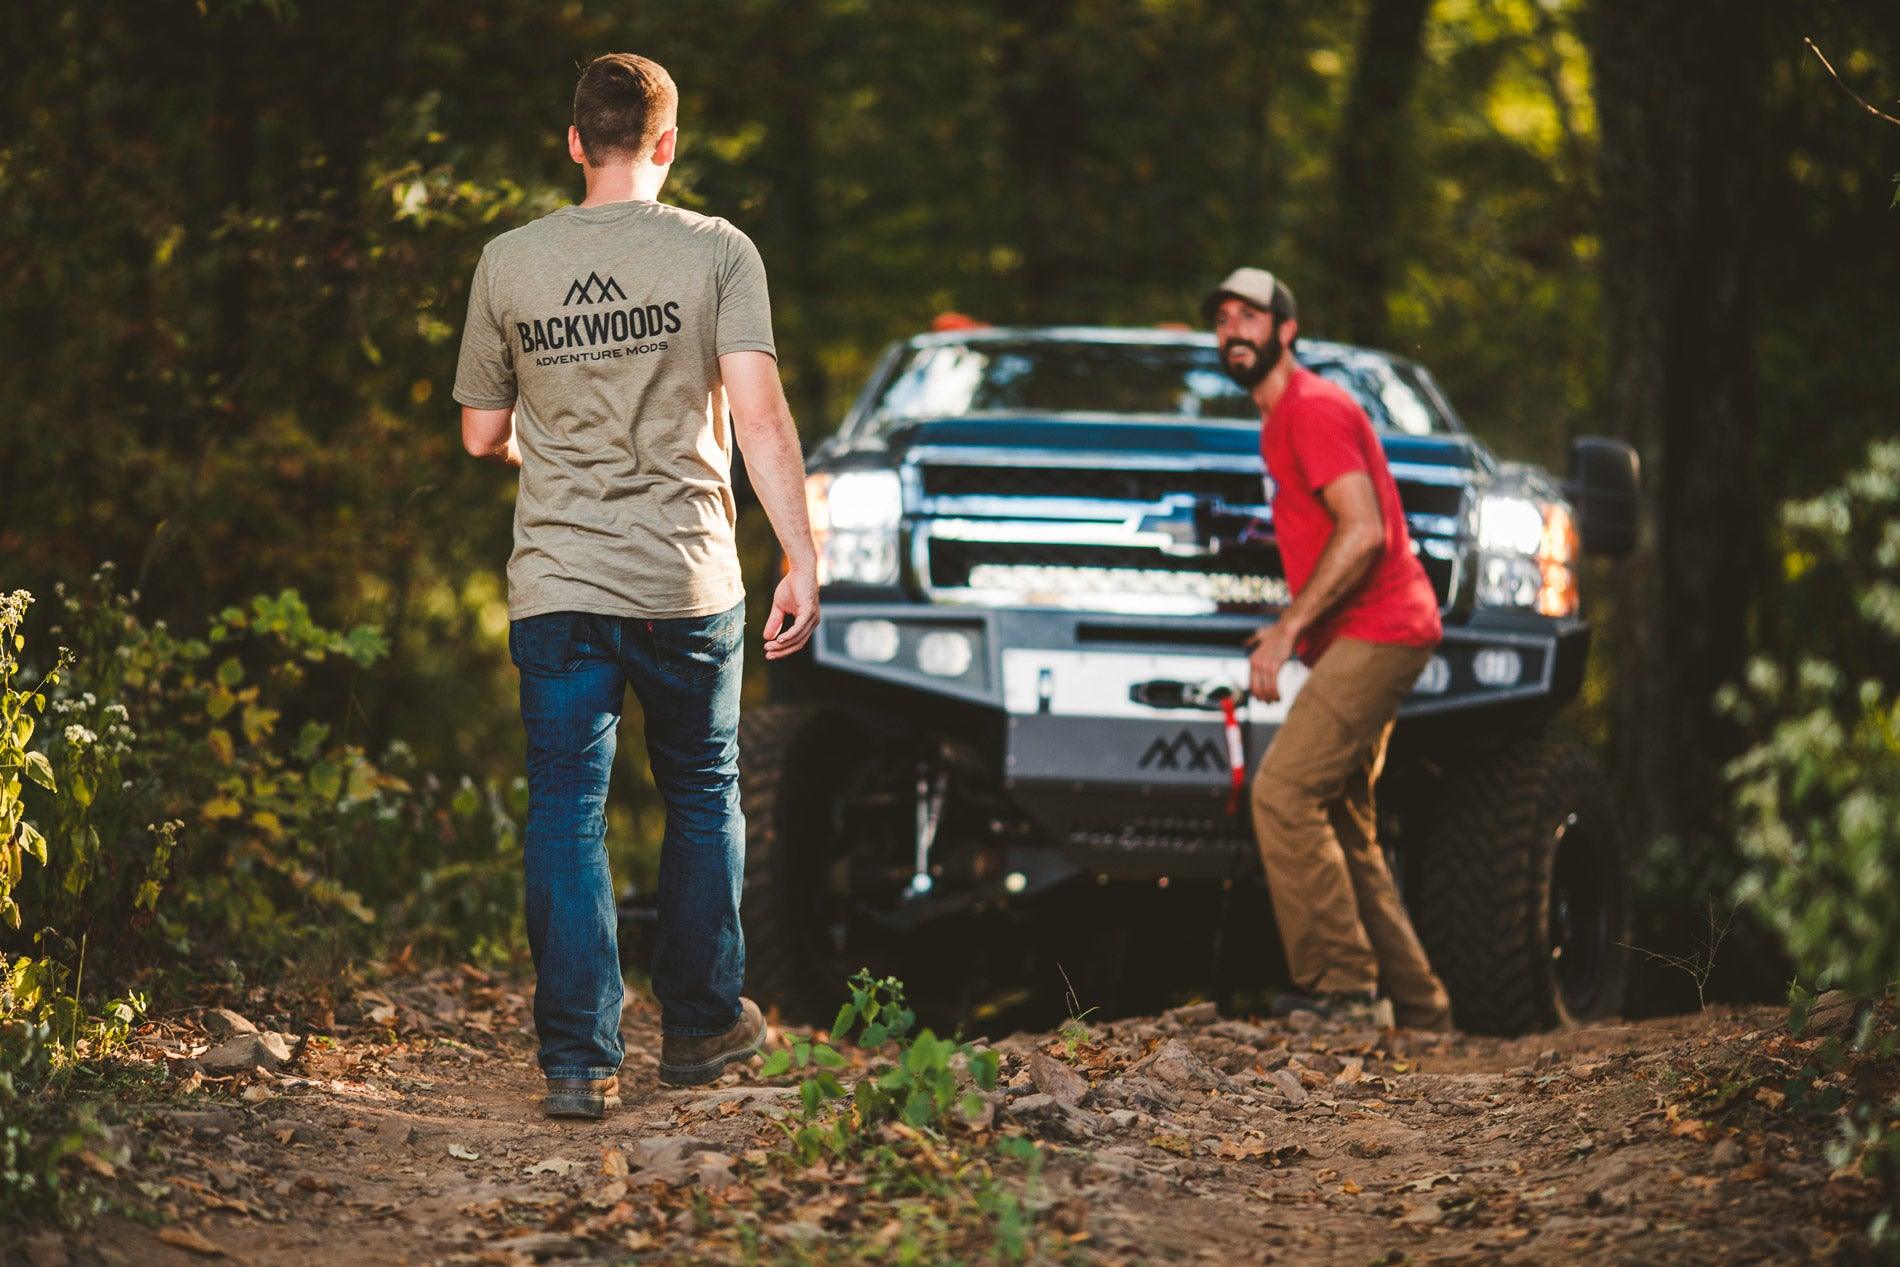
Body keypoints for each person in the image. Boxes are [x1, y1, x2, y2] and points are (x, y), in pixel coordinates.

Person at [453, 53, 820, 1117]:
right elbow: (759, 414)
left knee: (566, 806)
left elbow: (482, 433)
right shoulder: (717, 251)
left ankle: (579, 1060)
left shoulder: (509, 261)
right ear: (666, 144)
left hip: (560, 580)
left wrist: (555, 446)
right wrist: (803, 556)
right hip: (684, 576)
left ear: (575, 142)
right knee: (702, 792)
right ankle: (702, 1026)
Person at [1204, 267, 1453, 1032]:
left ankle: (1345, 991)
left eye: (1250, 316)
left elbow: (1365, 529)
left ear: (1286, 330)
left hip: (1383, 630)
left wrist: (1287, 633)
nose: (1232, 330)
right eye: (1222, 318)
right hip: (1367, 630)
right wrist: (1295, 620)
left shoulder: (1312, 408)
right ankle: (1422, 1007)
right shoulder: (1280, 420)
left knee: (1283, 793)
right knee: (1344, 818)